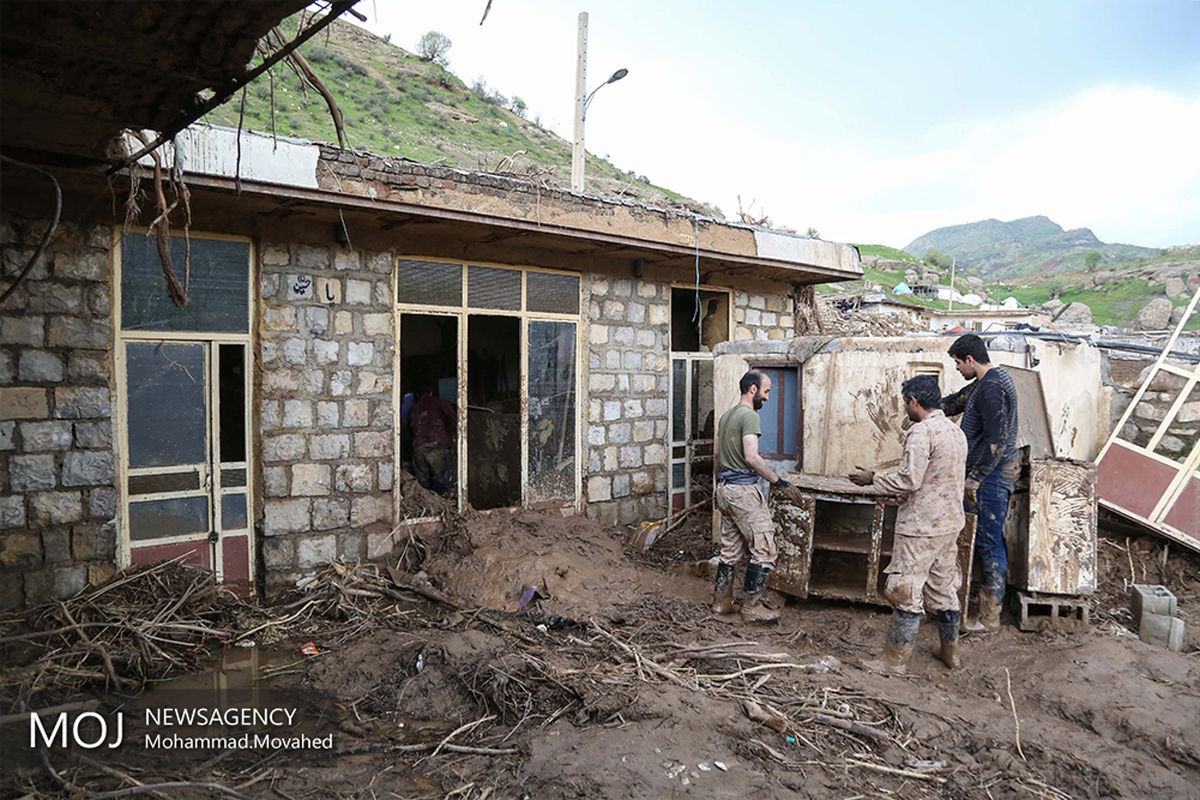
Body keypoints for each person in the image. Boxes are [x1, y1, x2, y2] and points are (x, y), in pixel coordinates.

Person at [849, 375, 968, 674]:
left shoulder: (921, 432)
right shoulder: (955, 432)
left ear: (913, 401)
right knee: (943, 588)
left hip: (921, 526)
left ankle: (894, 662)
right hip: (950, 523)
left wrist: (872, 478)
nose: (905, 408)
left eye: (905, 402)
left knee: (905, 589)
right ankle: (949, 653)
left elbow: (909, 480)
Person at [940, 333, 1019, 632]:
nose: (958, 368)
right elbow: (957, 401)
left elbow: (995, 441)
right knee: (986, 539)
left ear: (970, 359)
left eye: (958, 363)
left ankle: (989, 616)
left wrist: (974, 478)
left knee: (987, 540)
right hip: (992, 471)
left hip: (993, 474)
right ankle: (982, 608)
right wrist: (925, 409)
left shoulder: (992, 389)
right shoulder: (987, 383)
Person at [712, 370, 802, 623]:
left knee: (729, 552)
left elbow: (718, 457)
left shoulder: (726, 416)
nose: (768, 397)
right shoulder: (749, 416)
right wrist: (779, 481)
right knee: (764, 549)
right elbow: (751, 457)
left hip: (725, 488)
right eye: (766, 391)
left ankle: (721, 604)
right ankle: (751, 608)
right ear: (753, 390)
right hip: (742, 491)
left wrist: (716, 489)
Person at [410, 382, 456, 495]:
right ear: (431, 392)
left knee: (423, 489)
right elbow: (457, 420)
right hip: (437, 447)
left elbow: (408, 428)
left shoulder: (414, 408)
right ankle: (442, 509)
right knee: (442, 486)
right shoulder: (440, 403)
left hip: (419, 450)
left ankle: (427, 509)